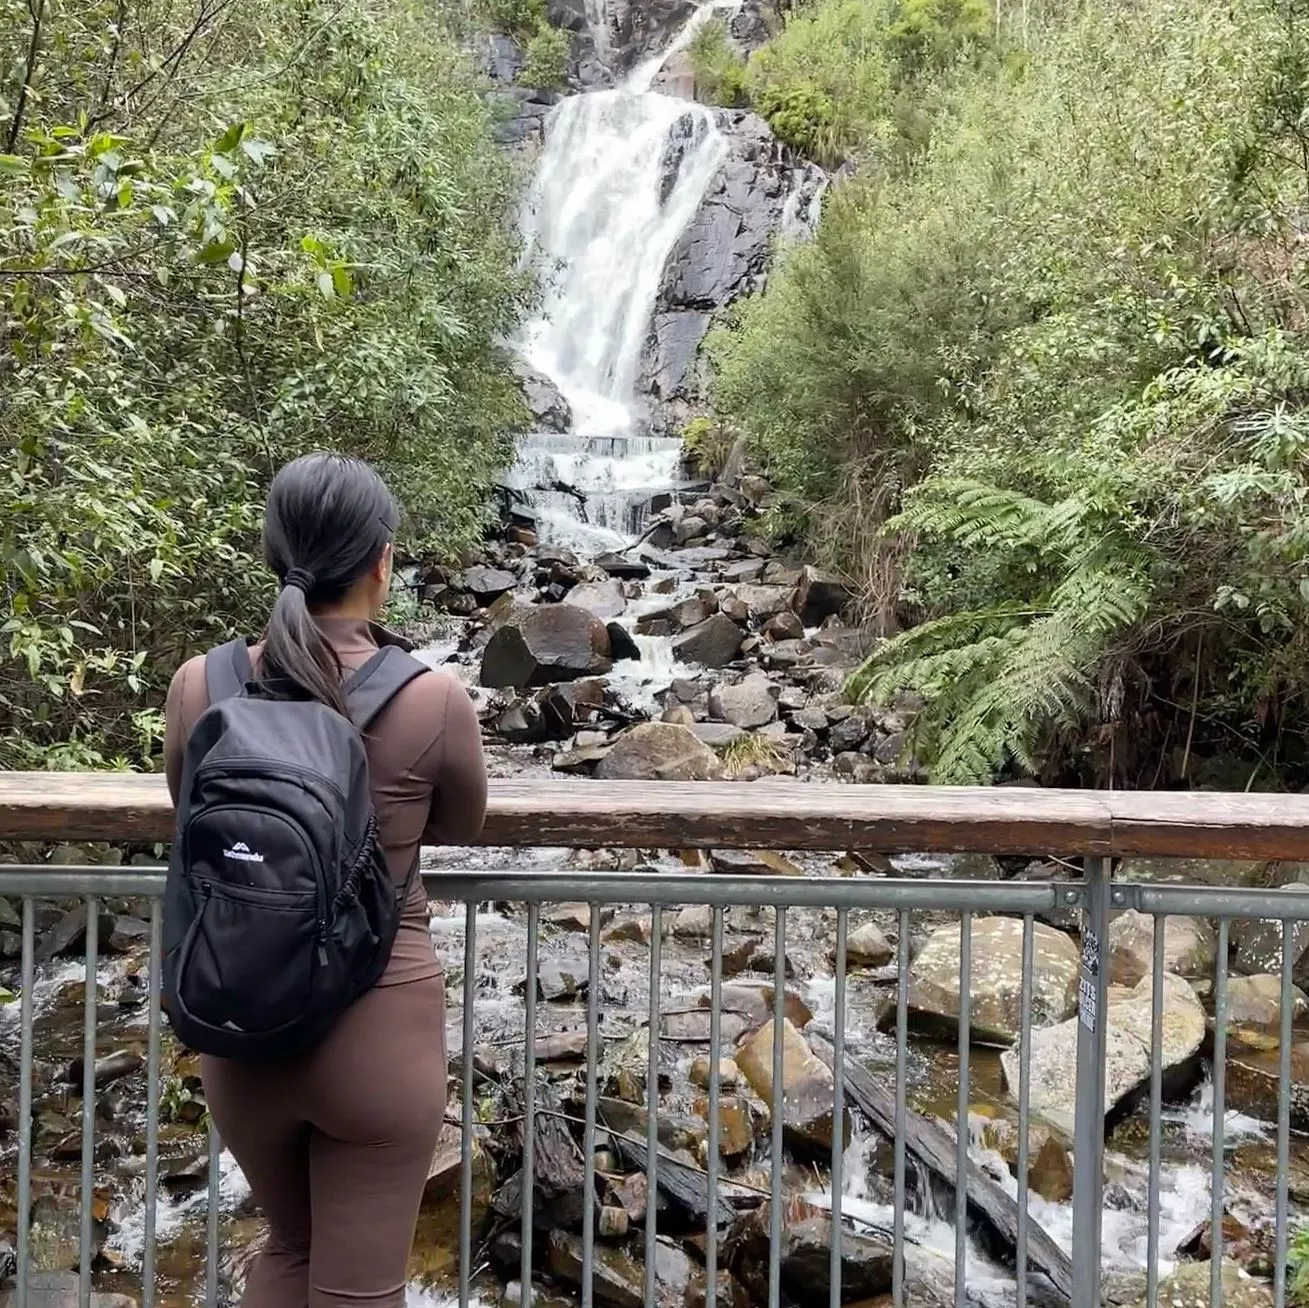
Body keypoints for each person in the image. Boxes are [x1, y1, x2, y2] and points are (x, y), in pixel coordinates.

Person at [163, 452, 488, 1308]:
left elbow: (189, 810)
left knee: (288, 1249)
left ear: (275, 554)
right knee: (359, 1289)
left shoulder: (201, 685)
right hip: (379, 1024)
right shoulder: (432, 698)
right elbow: (460, 823)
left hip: (240, 1018)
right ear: (382, 562)